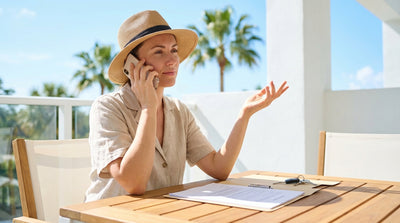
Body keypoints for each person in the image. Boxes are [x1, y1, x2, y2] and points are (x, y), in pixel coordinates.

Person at [85, 10, 288, 202]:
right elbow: (134, 183)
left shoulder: (179, 111)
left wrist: (244, 115)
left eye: (174, 50)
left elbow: (219, 168)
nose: (173, 60)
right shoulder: (107, 108)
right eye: (159, 52)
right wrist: (148, 107)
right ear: (132, 65)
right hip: (106, 217)